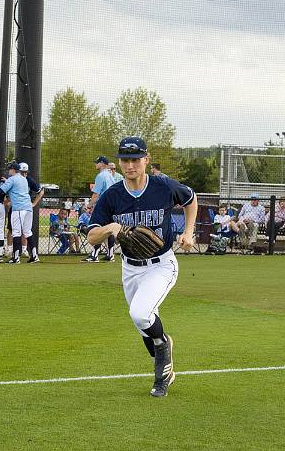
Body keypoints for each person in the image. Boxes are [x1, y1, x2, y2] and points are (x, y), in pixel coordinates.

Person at [87, 136, 197, 397]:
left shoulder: (163, 186)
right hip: (130, 268)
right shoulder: (112, 195)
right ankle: (165, 367)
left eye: (136, 159)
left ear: (146, 160)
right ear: (119, 163)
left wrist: (189, 232)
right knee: (143, 323)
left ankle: (162, 358)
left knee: (140, 313)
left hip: (161, 264)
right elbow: (91, 235)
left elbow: (191, 200)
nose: (130, 165)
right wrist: (110, 228)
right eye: (125, 160)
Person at [0, 162, 40, 264]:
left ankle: (16, 257)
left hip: (18, 208)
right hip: (28, 207)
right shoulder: (23, 179)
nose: (8, 171)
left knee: (16, 232)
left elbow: (1, 191)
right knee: (27, 232)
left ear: (13, 170)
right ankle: (35, 256)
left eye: (9, 169)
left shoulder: (12, 179)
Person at [84, 156, 116, 262]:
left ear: (102, 163)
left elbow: (96, 194)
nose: (95, 164)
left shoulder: (101, 176)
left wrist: (89, 206)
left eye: (97, 162)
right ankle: (110, 254)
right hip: (112, 206)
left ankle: (94, 255)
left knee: (94, 229)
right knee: (109, 230)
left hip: (103, 206)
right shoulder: (110, 175)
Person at [19, 162, 44, 257]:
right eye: (22, 172)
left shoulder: (28, 180)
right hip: (20, 206)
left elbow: (40, 192)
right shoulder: (16, 180)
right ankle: (32, 255)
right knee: (17, 230)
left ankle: (20, 253)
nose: (24, 174)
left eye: (26, 172)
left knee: (24, 231)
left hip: (24, 207)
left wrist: (34, 203)